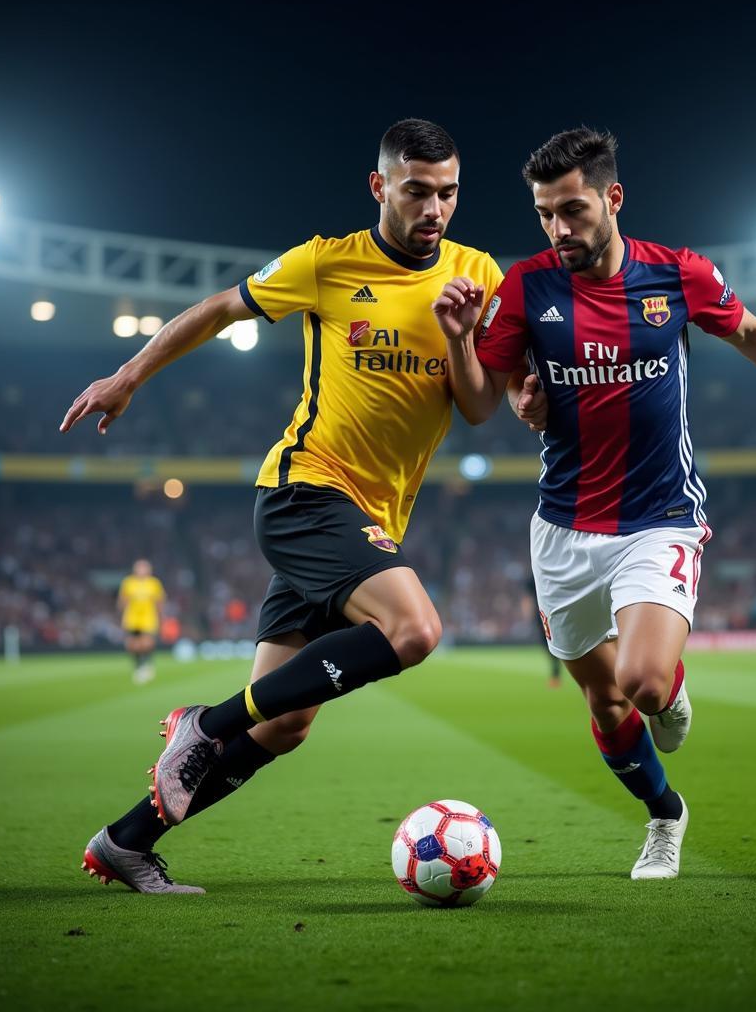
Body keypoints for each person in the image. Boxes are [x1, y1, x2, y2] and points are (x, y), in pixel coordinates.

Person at [61, 119, 518, 894]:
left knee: (285, 724)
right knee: (414, 629)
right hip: (306, 490)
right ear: (380, 188)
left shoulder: (477, 274)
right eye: (416, 191)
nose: (434, 207)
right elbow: (216, 310)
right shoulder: (328, 262)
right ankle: (205, 724)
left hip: (371, 519)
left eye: (448, 192)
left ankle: (125, 842)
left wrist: (461, 336)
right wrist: (131, 373)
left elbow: (479, 408)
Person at [432, 128, 756, 880]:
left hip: (659, 515)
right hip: (563, 527)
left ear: (612, 198)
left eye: (572, 209)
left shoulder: (677, 275)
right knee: (606, 705)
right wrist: (459, 344)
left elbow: (750, 333)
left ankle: (669, 694)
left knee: (642, 684)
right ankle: (665, 816)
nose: (558, 228)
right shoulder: (528, 287)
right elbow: (478, 404)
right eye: (544, 213)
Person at [117, 559, 166, 684]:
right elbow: (123, 600)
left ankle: (147, 664)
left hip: (148, 617)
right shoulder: (129, 582)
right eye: (139, 568)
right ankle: (138, 666)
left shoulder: (154, 583)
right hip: (132, 618)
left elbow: (159, 601)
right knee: (133, 645)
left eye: (144, 568)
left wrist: (161, 616)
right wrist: (121, 614)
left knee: (147, 643)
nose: (142, 571)